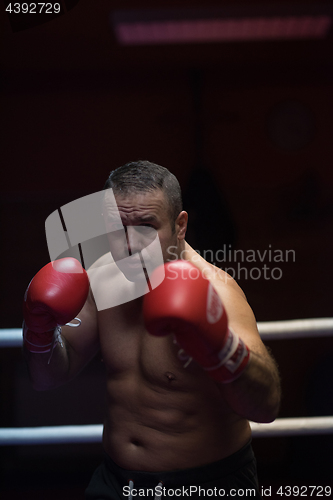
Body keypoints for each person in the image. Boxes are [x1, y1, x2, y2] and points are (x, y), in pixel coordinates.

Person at [23, 160, 281, 499]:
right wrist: (39, 331)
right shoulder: (100, 279)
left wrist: (223, 350)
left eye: (146, 226)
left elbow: (266, 407)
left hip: (207, 483)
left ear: (180, 226)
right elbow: (47, 377)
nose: (130, 244)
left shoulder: (216, 291)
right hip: (117, 482)